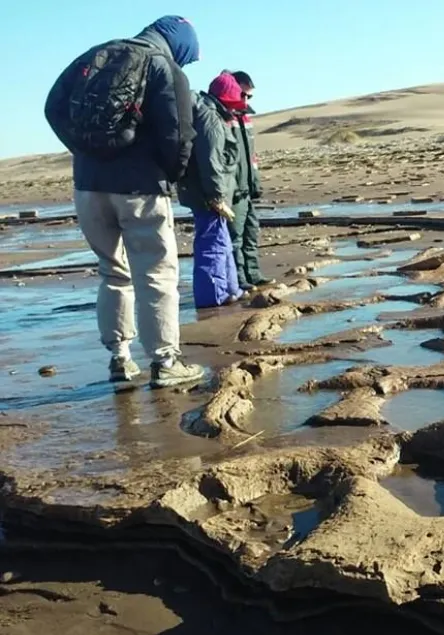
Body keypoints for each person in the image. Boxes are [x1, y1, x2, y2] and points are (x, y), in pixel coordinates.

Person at [43, 15, 205, 389]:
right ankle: (165, 362)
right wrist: (168, 173)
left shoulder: (94, 56)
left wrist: (85, 151)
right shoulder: (163, 67)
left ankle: (120, 358)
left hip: (88, 187)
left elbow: (53, 108)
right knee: (156, 275)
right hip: (140, 189)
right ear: (179, 44)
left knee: (113, 273)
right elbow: (179, 134)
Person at [178, 72, 245, 308]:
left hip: (205, 192)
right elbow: (211, 160)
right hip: (208, 195)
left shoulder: (207, 113)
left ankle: (229, 289)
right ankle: (212, 297)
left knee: (221, 241)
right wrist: (217, 197)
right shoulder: (210, 119)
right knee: (213, 244)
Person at [227, 71, 272, 291]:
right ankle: (239, 278)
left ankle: (253, 273)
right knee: (235, 235)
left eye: (249, 97)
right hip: (235, 189)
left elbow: (251, 156)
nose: (246, 100)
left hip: (249, 187)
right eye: (244, 95)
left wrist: (256, 182)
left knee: (251, 232)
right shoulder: (225, 117)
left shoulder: (245, 118)